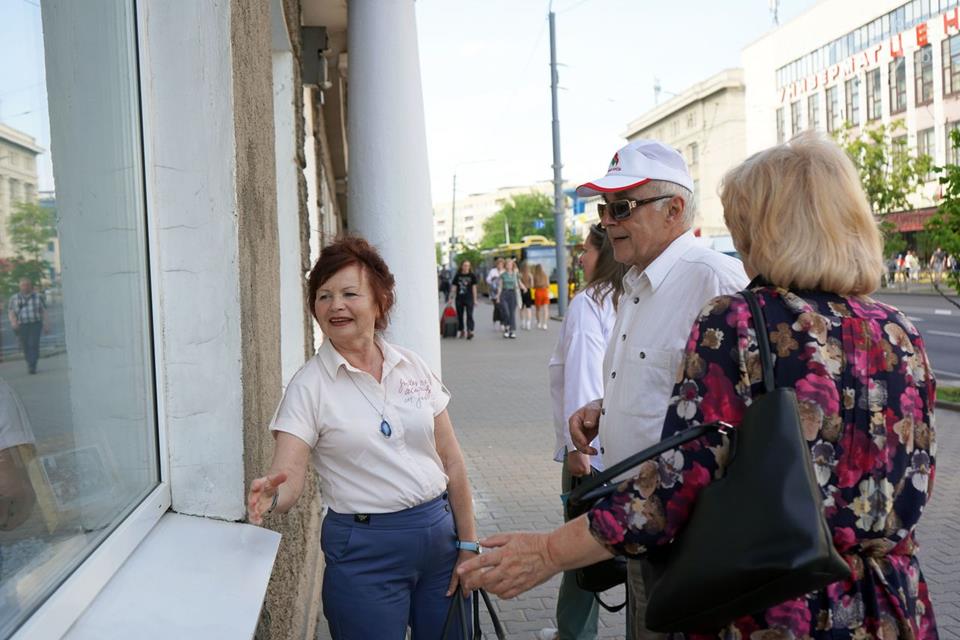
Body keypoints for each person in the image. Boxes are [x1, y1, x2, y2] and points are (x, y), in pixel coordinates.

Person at [459, 133, 939, 639]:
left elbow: (673, 486)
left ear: (772, 231)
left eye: (744, 227)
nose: (740, 244)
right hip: (889, 603)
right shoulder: (897, 330)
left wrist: (548, 552)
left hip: (780, 605)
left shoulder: (740, 316)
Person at [462, 138, 748, 638]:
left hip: (694, 539)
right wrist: (604, 408)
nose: (608, 222)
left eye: (621, 208)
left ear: (674, 209)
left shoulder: (714, 281)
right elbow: (665, 390)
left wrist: (552, 552)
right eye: (603, 209)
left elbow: (740, 420)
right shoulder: (638, 284)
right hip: (639, 528)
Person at [247, 236, 478, 638]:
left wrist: (469, 544)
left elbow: (452, 461)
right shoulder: (309, 386)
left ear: (380, 301)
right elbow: (289, 474)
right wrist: (272, 495)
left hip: (441, 540)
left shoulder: (413, 365)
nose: (335, 305)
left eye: (349, 293)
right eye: (324, 296)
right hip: (364, 551)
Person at [538, 224, 626, 640]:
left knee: (580, 549)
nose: (581, 258)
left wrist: (579, 449)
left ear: (603, 252)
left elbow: (584, 370)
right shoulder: (632, 297)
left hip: (590, 449)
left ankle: (574, 633)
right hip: (628, 447)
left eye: (587, 250)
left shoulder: (590, 302)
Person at [7, 278, 48, 375]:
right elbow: (11, 312)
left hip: (35, 324)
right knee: (25, 345)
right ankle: (30, 362)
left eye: (27, 285)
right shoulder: (14, 298)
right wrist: (13, 322)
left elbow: (44, 312)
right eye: (23, 285)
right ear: (20, 286)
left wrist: (46, 324)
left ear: (31, 286)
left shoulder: (38, 297)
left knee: (34, 344)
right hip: (22, 325)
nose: (25, 287)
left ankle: (32, 365)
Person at [452, 259, 479, 339]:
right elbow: (454, 287)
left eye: (468, 265)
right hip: (459, 298)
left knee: (469, 315)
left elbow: (474, 288)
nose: (466, 267)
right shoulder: (457, 275)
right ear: (462, 266)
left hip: (469, 298)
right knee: (460, 315)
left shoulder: (472, 276)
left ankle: (469, 330)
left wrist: (475, 299)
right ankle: (461, 330)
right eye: (465, 265)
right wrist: (451, 298)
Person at [496, 259, 523, 339]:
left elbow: (519, 282)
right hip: (504, 293)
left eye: (510, 264)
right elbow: (500, 286)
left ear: (512, 265)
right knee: (506, 312)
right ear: (505, 265)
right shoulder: (502, 275)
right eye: (507, 264)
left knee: (512, 313)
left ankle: (511, 331)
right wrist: (498, 296)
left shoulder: (515, 274)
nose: (509, 266)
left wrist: (523, 287)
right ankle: (506, 328)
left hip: (513, 294)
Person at [487, 258, 505, 332]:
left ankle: (502, 323)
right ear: (496, 264)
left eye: (501, 264)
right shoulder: (492, 271)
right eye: (498, 264)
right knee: (497, 307)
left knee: (502, 308)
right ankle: (495, 321)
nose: (500, 265)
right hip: (494, 293)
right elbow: (487, 280)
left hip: (503, 292)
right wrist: (492, 279)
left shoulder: (505, 271)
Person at [532, 263, 550, 330]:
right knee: (546, 309)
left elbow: (533, 286)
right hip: (545, 292)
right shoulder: (545, 275)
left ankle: (539, 323)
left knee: (538, 309)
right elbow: (548, 285)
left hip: (538, 292)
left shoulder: (535, 276)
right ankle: (545, 324)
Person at [519, 261, 535, 330]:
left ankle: (523, 322)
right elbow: (532, 285)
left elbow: (518, 284)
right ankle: (528, 323)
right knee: (528, 308)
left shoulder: (520, 275)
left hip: (521, 292)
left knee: (521, 308)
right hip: (528, 291)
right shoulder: (530, 275)